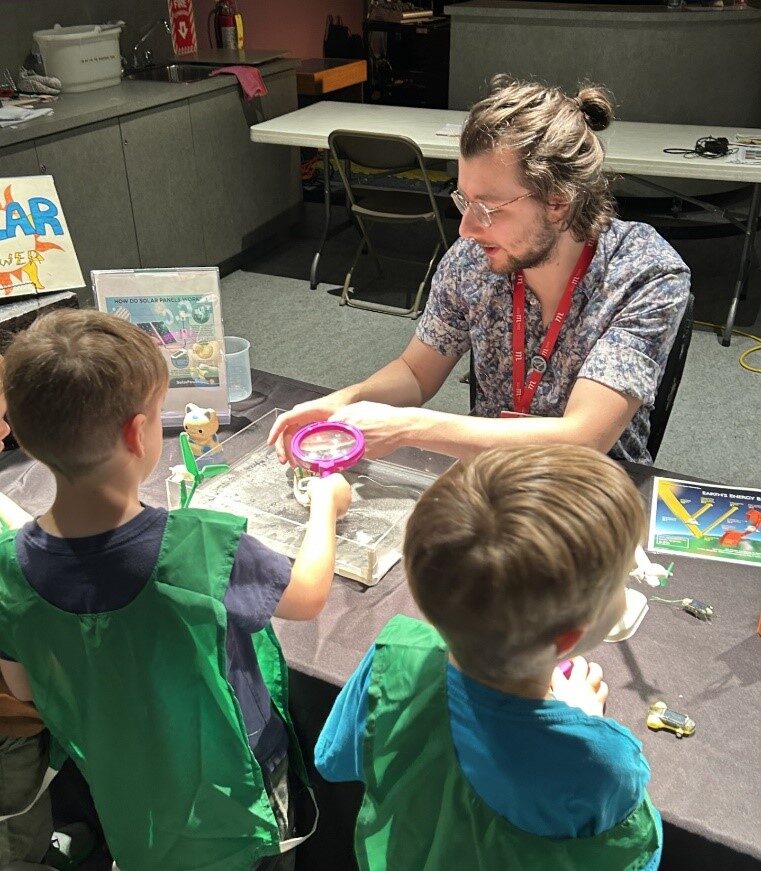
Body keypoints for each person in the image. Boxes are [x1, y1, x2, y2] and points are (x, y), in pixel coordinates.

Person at [0, 309, 352, 871]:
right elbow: (308, 596)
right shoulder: (200, 548)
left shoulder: (7, 568)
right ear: (138, 433)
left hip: (127, 795)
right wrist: (326, 509)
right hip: (236, 801)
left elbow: (21, 684)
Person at [269, 78, 690, 466]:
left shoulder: (643, 273)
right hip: (491, 481)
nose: (466, 228)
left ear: (558, 202)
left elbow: (583, 439)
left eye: (487, 208)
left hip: (595, 500)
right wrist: (345, 400)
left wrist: (409, 428)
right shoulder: (473, 262)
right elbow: (417, 372)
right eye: (464, 200)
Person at [315, 445, 662, 870]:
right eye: (622, 578)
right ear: (568, 639)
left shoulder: (394, 654)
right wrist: (581, 724)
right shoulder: (600, 760)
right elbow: (636, 857)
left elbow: (333, 759)